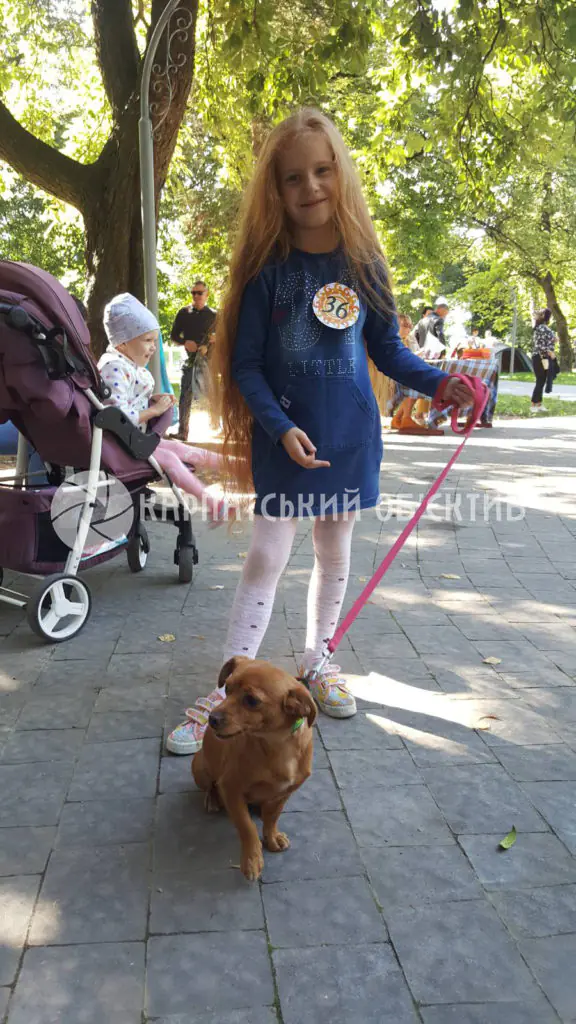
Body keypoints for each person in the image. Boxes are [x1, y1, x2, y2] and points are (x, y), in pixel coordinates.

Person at [166, 107, 473, 755]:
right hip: (284, 445)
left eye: (322, 171)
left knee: (335, 552)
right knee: (266, 557)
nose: (310, 186)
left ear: (341, 175)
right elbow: (247, 365)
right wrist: (279, 428)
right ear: (275, 190)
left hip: (350, 442)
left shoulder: (365, 264)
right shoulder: (267, 272)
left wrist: (440, 383)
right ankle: (230, 689)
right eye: (293, 177)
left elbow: (388, 350)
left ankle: (318, 659)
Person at [99, 293, 233, 524]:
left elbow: (127, 400)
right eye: (147, 340)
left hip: (135, 440)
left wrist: (152, 400)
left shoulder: (126, 364)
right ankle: (213, 504)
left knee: (183, 449)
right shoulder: (114, 368)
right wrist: (153, 411)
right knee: (171, 459)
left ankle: (242, 467)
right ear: (123, 343)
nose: (153, 347)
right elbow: (116, 416)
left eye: (154, 341)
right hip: (123, 446)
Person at [170, 281, 217, 440]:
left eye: (199, 293)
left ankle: (217, 425)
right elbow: (174, 336)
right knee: (185, 394)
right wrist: (185, 342)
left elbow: (224, 336)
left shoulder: (214, 315)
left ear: (207, 294)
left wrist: (210, 344)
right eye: (193, 293)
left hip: (210, 361)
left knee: (213, 394)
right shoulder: (183, 313)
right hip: (190, 360)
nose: (196, 296)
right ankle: (183, 431)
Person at [531, 308, 555, 414]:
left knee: (542, 380)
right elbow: (539, 345)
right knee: (540, 380)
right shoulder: (542, 328)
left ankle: (538, 404)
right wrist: (549, 351)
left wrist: (553, 340)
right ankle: (533, 404)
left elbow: (545, 341)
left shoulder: (542, 327)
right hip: (540, 356)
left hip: (543, 357)